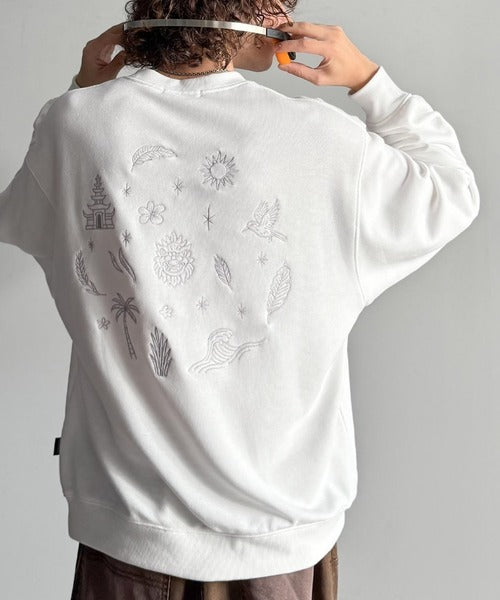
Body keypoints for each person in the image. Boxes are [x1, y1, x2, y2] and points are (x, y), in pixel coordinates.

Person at [0, 1, 479, 598]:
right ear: (245, 12)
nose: (288, 14)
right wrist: (370, 81)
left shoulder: (73, 126)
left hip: (129, 535)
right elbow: (452, 190)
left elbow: (21, 216)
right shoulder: (323, 140)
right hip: (279, 542)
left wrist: (83, 93)